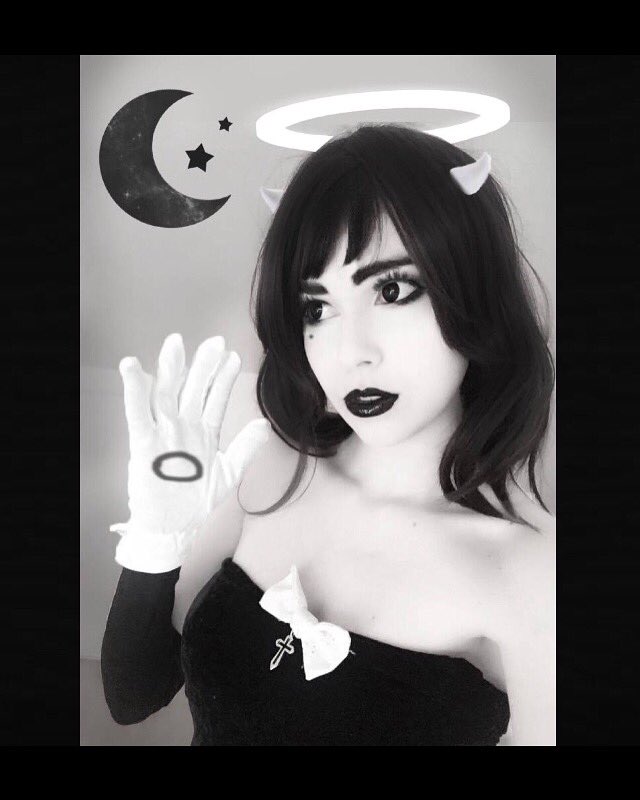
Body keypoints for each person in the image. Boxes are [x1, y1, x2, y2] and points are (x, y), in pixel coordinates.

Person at [101, 123, 555, 746]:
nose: (350, 353)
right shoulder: (271, 468)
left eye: (393, 290)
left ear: (475, 292)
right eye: (316, 308)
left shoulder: (527, 572)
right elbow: (132, 695)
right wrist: (154, 544)